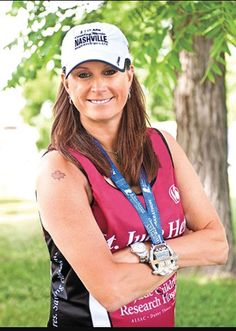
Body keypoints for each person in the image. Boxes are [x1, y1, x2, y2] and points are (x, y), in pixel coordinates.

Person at [36, 22, 229, 327]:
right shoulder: (60, 170)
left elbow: (217, 244)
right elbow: (111, 290)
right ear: (66, 83)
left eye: (109, 71)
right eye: (83, 74)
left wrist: (142, 252)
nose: (98, 87)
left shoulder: (162, 144)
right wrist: (183, 252)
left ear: (129, 74)